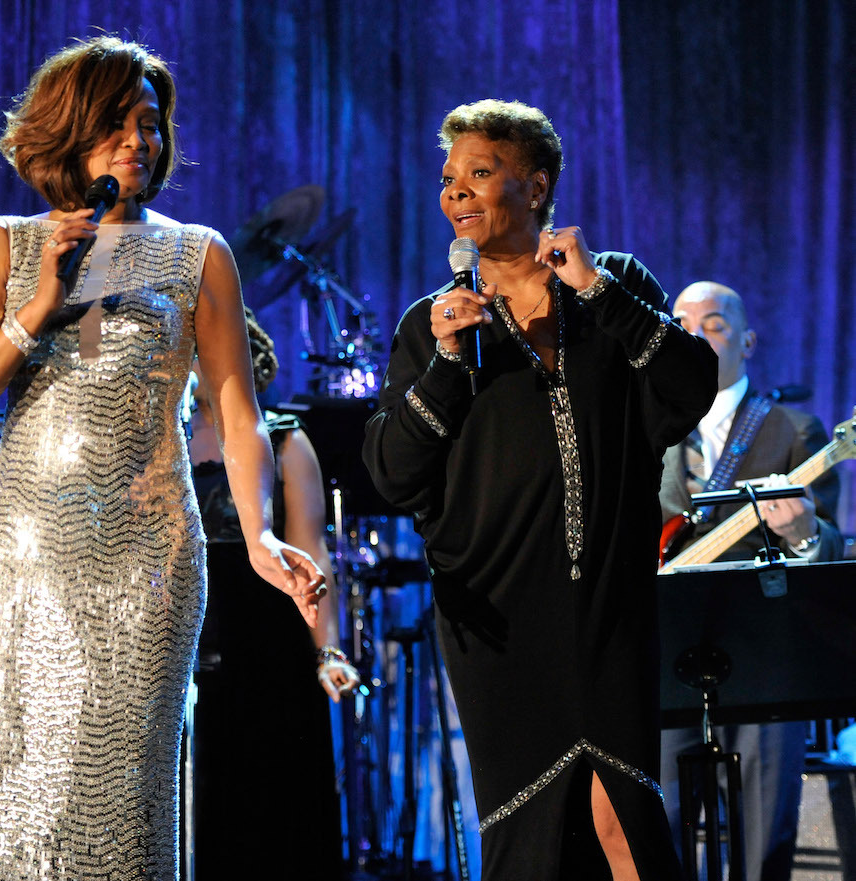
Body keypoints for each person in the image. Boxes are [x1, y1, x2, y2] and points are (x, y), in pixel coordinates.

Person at [0, 37, 326, 881]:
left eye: (151, 123)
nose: (139, 141)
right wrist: (36, 309)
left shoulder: (199, 254)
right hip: (27, 559)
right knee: (20, 786)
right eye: (118, 123)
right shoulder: (1, 244)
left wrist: (259, 535)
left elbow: (238, 412)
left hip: (150, 560)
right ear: (71, 130)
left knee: (123, 794)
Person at [362, 98, 717, 880]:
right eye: (449, 179)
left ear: (537, 187)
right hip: (497, 620)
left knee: (624, 822)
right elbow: (390, 470)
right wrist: (449, 366)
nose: (456, 193)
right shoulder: (433, 324)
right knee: (532, 840)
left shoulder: (612, 287)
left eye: (480, 174)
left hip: (607, 611)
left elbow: (690, 387)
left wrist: (598, 292)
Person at [658, 281, 844, 881]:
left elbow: (832, 548)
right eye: (682, 324)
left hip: (767, 653)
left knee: (766, 830)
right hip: (668, 653)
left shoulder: (793, 430)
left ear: (747, 340)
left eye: (713, 324)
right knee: (662, 826)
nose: (696, 336)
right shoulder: (645, 432)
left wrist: (802, 535)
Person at [187, 308, 358, 879]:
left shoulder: (286, 441)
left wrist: (327, 650)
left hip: (269, 646)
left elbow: (313, 552)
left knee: (276, 806)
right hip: (188, 643)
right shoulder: (163, 442)